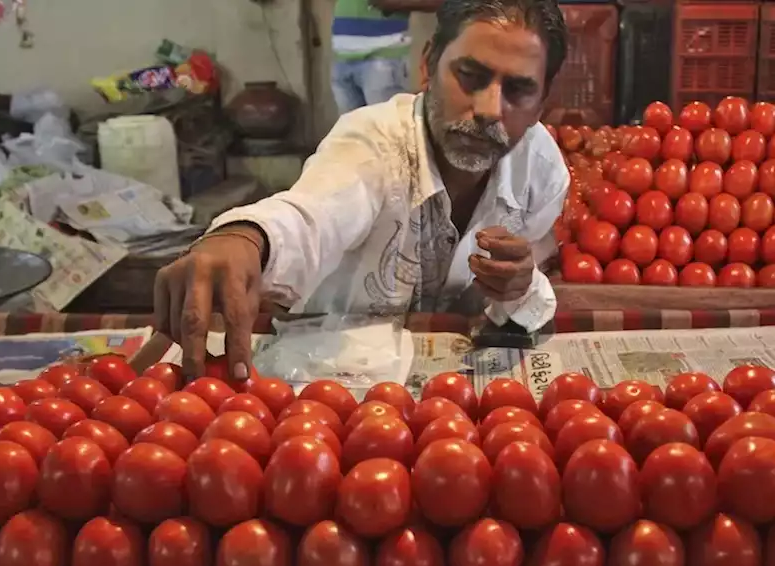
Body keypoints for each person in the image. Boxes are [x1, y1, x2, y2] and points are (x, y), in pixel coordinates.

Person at [154, 0, 570, 379]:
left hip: (452, 400)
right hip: (326, 383)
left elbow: (520, 294)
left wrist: (520, 286)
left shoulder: (540, 173)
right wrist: (245, 237)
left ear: (542, 103)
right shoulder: (372, 143)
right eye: (470, 76)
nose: (488, 110)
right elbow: (310, 216)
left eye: (518, 89)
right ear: (427, 66)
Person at [330, 0, 440, 114]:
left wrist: (393, 3)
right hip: (342, 58)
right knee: (352, 130)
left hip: (382, 58)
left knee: (387, 127)